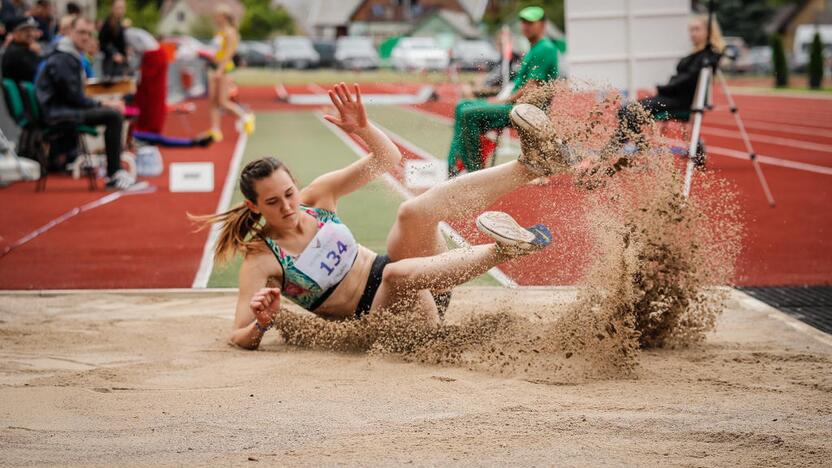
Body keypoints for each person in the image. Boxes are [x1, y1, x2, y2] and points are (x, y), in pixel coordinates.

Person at [196, 83, 574, 350]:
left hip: (426, 287)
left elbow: (387, 160)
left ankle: (532, 166)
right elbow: (237, 334)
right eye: (273, 202)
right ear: (254, 207)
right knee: (393, 274)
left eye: (289, 193)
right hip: (385, 322)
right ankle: (506, 249)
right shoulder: (261, 258)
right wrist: (262, 323)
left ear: (296, 186)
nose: (288, 207)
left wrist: (363, 128)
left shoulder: (317, 198)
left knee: (412, 212)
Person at [446, 5, 559, 177]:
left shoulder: (545, 48)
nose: (525, 26)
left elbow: (531, 87)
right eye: (523, 22)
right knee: (462, 105)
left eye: (530, 22)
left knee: (468, 113)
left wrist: (502, 101)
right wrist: (486, 93)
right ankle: (455, 164)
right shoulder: (534, 48)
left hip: (527, 111)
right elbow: (516, 86)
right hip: (515, 106)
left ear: (542, 24)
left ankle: (475, 173)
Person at [604, 14, 725, 160]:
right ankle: (624, 150)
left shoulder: (708, 55)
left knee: (628, 111)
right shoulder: (698, 53)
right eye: (690, 30)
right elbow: (683, 78)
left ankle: (618, 152)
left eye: (696, 29)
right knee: (626, 110)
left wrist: (661, 89)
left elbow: (687, 80)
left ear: (709, 31)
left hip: (680, 101)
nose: (692, 34)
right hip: (670, 97)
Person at [36, 15, 136, 189]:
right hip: (58, 112)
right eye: (81, 32)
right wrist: (103, 104)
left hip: (63, 107)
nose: (85, 37)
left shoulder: (70, 54)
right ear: (68, 32)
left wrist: (102, 102)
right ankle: (114, 175)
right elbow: (73, 96)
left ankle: (114, 171)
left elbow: (75, 94)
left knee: (113, 110)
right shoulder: (62, 57)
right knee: (113, 115)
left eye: (89, 34)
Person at [207, 4, 254, 143]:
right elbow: (216, 51)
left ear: (223, 17)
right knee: (213, 102)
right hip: (214, 67)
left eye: (216, 16)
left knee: (222, 101)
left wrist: (220, 70)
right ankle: (215, 130)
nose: (214, 19)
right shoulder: (219, 32)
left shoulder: (231, 32)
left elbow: (228, 54)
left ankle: (245, 116)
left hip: (224, 69)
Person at [1, 16, 41, 84]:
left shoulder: (23, 48)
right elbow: (38, 74)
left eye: (33, 30)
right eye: (26, 31)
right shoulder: (16, 52)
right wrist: (38, 54)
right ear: (14, 33)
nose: (31, 34)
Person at [98, 0, 128, 77]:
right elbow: (103, 43)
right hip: (112, 65)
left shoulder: (119, 24)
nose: (121, 11)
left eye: (122, 8)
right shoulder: (108, 24)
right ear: (112, 8)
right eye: (118, 8)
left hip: (120, 63)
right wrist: (114, 53)